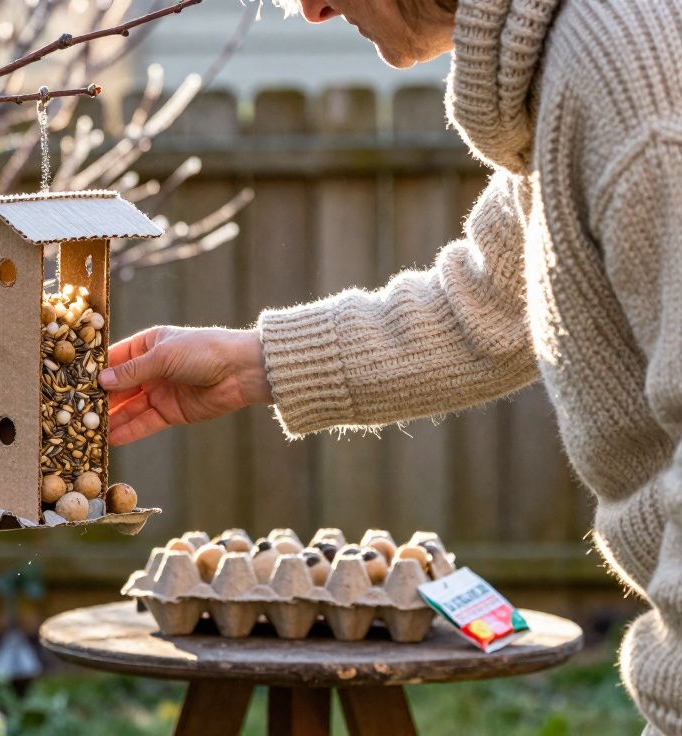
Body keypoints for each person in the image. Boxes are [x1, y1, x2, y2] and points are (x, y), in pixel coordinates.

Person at [99, 1, 682, 733]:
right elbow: (489, 303)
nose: (313, 10)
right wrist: (252, 363)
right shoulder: (564, 65)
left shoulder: (624, 64)